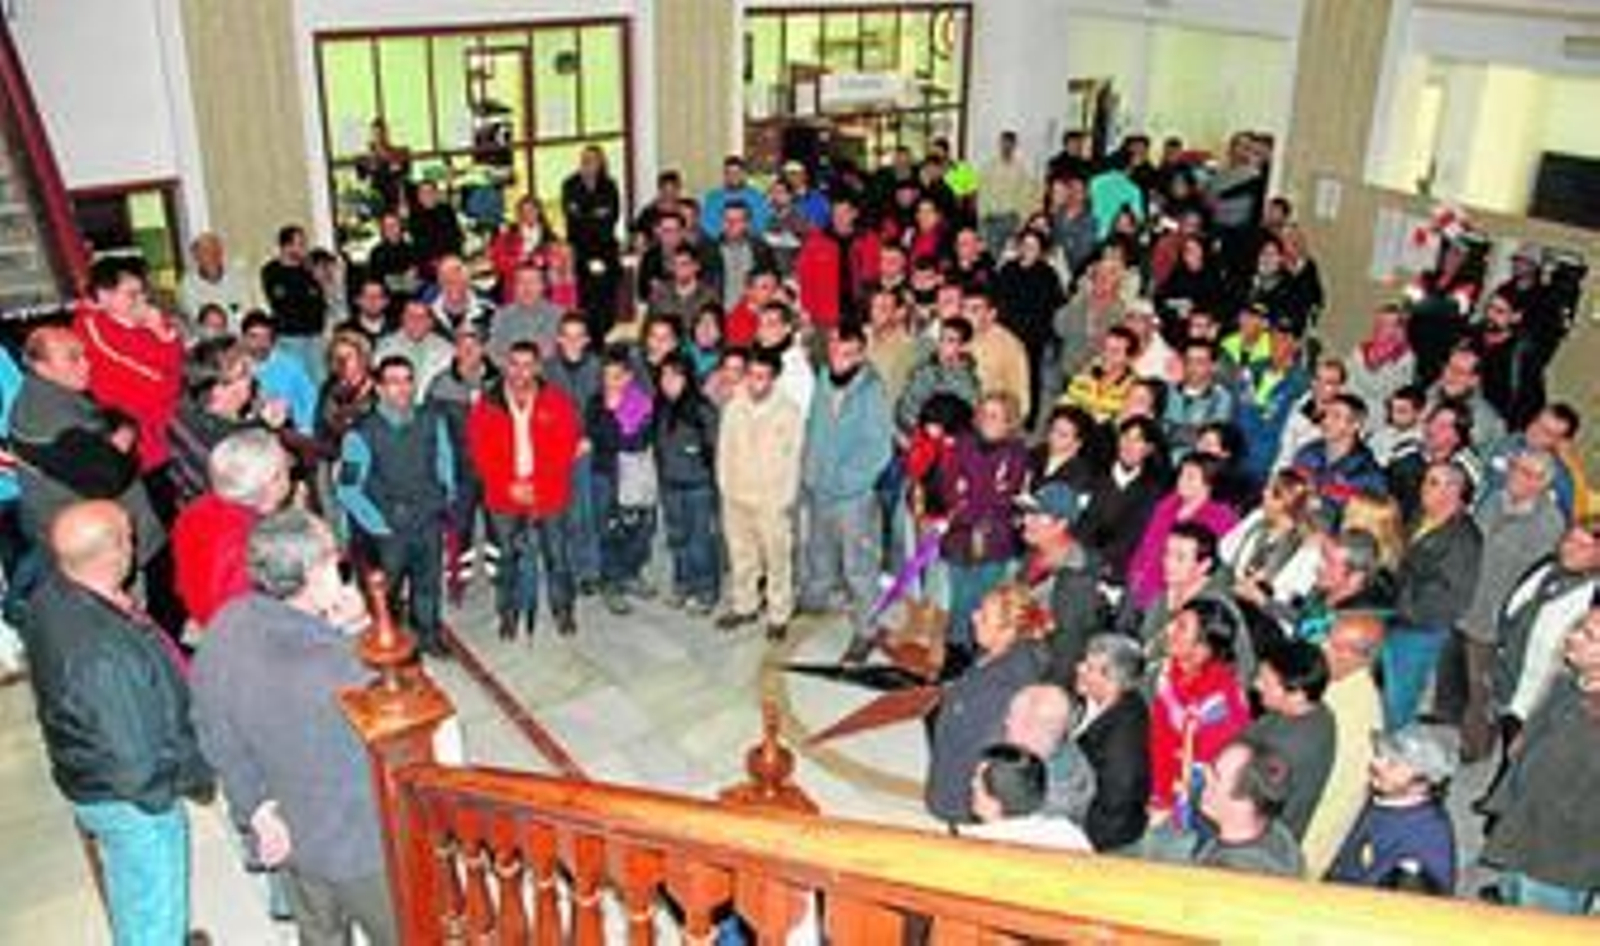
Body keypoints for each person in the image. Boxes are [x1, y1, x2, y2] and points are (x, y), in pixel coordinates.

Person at [192, 509, 398, 945]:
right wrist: (362, 626)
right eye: (333, 559)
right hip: (362, 849)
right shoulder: (341, 667)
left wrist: (257, 808)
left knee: (320, 934)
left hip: (290, 834)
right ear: (315, 574)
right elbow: (404, 717)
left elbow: (212, 731)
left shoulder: (226, 626)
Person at [20, 500, 211, 945]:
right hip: (132, 804)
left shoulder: (53, 595)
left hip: (89, 780)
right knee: (155, 901)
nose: (135, 541)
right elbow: (134, 765)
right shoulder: (102, 655)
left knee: (133, 886)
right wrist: (163, 798)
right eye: (127, 535)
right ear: (112, 554)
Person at [9, 327, 165, 582]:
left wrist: (120, 434)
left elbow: (107, 417)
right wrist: (121, 446)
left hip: (100, 535)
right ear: (41, 367)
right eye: (73, 358)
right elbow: (108, 479)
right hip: (96, 549)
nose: (86, 365)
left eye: (84, 355)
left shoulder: (52, 391)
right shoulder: (48, 418)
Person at [1445, 448, 1564, 759]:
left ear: (1542, 483)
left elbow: (1532, 587)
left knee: (1480, 692)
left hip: (1493, 623)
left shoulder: (1548, 525)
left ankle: (1475, 747)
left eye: (1526, 472)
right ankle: (1446, 732)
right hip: (1461, 605)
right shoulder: (1494, 499)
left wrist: (1508, 631)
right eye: (1515, 467)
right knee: (1452, 681)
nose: (1515, 475)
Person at [1482, 605, 1600, 915]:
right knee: (1514, 898)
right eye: (1578, 625)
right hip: (1524, 828)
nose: (1572, 636)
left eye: (1589, 635)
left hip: (1558, 858)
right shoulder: (1569, 682)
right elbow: (1527, 743)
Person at [335, 355, 455, 657]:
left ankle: (428, 633)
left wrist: (445, 496)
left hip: (427, 518)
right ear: (378, 387)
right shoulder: (360, 433)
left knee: (428, 583)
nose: (402, 389)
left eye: (407, 380)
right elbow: (348, 489)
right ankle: (395, 644)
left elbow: (445, 460)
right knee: (386, 594)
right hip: (389, 527)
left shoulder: (431, 420)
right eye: (393, 382)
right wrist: (378, 525)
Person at [1486, 520, 1600, 798]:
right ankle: (1499, 787)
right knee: (1510, 738)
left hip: (1548, 689)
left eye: (1584, 545)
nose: (1570, 548)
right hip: (1514, 675)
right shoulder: (1547, 567)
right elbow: (1514, 607)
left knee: (1530, 754)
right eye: (1569, 539)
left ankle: (1506, 808)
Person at [801, 325, 894, 661]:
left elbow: (878, 449)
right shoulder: (824, 378)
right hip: (819, 487)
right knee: (819, 551)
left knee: (860, 565)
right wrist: (809, 471)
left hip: (853, 496)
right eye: (836, 351)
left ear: (861, 353)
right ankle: (815, 601)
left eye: (849, 354)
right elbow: (814, 426)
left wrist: (845, 481)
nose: (841, 360)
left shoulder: (872, 391)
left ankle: (866, 629)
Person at [926, 583, 1048, 824]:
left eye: (983, 616)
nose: (973, 616)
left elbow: (981, 756)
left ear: (1007, 632)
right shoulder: (1001, 652)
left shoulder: (1002, 688)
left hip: (959, 797)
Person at [1384, 461, 1483, 729]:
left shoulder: (1464, 539)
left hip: (1419, 631)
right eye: (1427, 481)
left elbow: (1450, 601)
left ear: (1455, 491)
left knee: (1397, 702)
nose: (1424, 488)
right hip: (1398, 620)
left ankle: (1391, 757)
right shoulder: (1421, 516)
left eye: (1434, 483)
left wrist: (1396, 600)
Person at [74, 256, 186, 492]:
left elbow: (175, 363)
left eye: (143, 292)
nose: (142, 300)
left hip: (168, 436)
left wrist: (161, 333)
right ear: (104, 296)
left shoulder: (140, 320)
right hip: (140, 449)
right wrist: (169, 364)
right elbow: (163, 388)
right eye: (132, 294)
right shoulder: (93, 330)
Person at [716, 348, 803, 639]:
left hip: (771, 500)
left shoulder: (789, 412)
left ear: (774, 379)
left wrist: (784, 499)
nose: (756, 383)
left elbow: (795, 459)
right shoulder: (734, 407)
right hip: (737, 496)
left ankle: (779, 614)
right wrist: (726, 486)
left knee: (777, 560)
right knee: (741, 556)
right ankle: (745, 605)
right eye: (751, 376)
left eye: (763, 377)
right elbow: (724, 450)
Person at [171, 430, 292, 633]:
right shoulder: (257, 543)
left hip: (203, 622)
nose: (291, 465)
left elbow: (181, 584)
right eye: (286, 466)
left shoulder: (195, 510)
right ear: (271, 482)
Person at [940, 391, 1030, 660]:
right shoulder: (963, 444)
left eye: (996, 416)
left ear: (1009, 422)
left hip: (995, 539)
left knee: (982, 598)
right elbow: (950, 487)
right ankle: (955, 649)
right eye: (984, 414)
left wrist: (972, 501)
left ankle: (976, 651)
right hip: (959, 535)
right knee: (959, 596)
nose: (988, 421)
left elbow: (1004, 498)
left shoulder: (1016, 453)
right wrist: (967, 502)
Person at [1147, 598, 1252, 827]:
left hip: (1183, 814)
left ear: (1204, 647)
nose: (1168, 629)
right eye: (1174, 621)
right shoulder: (1168, 672)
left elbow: (1199, 782)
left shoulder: (1221, 710)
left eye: (1181, 626)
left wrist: (1163, 805)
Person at [1302, 599, 1388, 876]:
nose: (1323, 647)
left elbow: (1334, 797)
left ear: (1362, 658)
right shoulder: (1337, 682)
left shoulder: (1357, 717)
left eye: (1336, 646)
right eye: (1328, 638)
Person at [1328, 724, 1458, 894]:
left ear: (1421, 785)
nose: (1376, 763)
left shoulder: (1421, 852)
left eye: (1393, 764)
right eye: (1381, 754)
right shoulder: (1388, 795)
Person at [427, 323, 500, 602]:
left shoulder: (501, 382)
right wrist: (438, 471)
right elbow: (432, 432)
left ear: (484, 347)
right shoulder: (440, 385)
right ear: (455, 348)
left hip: (495, 469)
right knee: (459, 527)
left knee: (499, 525)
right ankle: (458, 578)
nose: (468, 352)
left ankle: (500, 575)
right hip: (459, 470)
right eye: (462, 345)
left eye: (474, 345)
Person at [587, 345, 657, 615]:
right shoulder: (596, 402)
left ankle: (631, 573)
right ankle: (611, 582)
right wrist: (612, 415)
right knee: (609, 529)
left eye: (617, 376)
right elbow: (600, 438)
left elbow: (638, 441)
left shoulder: (640, 401)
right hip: (605, 474)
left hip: (635, 475)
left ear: (629, 377)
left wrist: (616, 417)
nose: (611, 382)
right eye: (607, 376)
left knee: (639, 527)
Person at [1246, 640, 1336, 839]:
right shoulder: (1318, 711)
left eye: (1265, 681)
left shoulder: (1283, 749)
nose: (1255, 685)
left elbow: (1243, 808)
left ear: (1297, 695)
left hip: (1258, 845)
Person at [1125, 454, 1239, 611]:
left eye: (1190, 477)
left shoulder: (1221, 520)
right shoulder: (1167, 504)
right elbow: (1144, 546)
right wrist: (1134, 576)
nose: (1181, 480)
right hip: (1139, 587)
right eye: (1181, 474)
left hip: (1175, 598)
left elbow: (1207, 571)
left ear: (1208, 484)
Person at [653, 353, 720, 614]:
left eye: (676, 375)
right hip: (669, 485)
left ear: (688, 378)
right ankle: (683, 585)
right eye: (664, 375)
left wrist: (695, 455)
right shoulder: (659, 405)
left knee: (699, 542)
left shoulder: (702, 408)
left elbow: (715, 447)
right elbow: (629, 425)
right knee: (677, 539)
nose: (669, 381)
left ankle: (705, 591)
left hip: (698, 487)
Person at [1072, 635, 1152, 852]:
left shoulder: (1124, 732)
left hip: (1105, 840)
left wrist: (1076, 836)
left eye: (1089, 667)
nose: (1078, 668)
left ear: (1112, 682)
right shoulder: (1093, 703)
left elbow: (1117, 798)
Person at [1190, 736, 1306, 878]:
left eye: (1216, 776)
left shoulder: (1226, 876)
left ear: (1243, 804)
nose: (1206, 774)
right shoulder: (1279, 834)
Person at [961, 744, 1092, 852]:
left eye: (978, 779)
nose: (972, 783)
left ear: (995, 803)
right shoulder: (1069, 836)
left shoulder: (970, 845)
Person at [1289, 393, 1385, 519]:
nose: (1326, 421)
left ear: (1355, 425)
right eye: (1326, 415)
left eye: (1336, 416)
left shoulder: (1368, 474)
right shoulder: (1307, 453)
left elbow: (1368, 521)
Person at [562, 145, 624, 339]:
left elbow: (610, 219)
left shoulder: (610, 185)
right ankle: (586, 336)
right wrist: (595, 215)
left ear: (601, 163)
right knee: (585, 299)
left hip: (605, 249)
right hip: (579, 251)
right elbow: (572, 219)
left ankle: (605, 333)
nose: (588, 164)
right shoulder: (570, 185)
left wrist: (585, 213)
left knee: (606, 297)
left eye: (593, 160)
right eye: (585, 159)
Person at [259, 224, 328, 386]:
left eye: (304, 243)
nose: (305, 248)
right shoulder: (272, 271)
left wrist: (320, 280)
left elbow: (320, 301)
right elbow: (283, 303)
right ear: (286, 246)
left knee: (321, 381)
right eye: (300, 243)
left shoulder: (309, 270)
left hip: (316, 336)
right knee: (297, 381)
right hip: (290, 338)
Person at [962, 287, 1031, 424]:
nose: (966, 315)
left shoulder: (1009, 345)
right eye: (963, 308)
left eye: (974, 310)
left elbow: (1021, 398)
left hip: (992, 420)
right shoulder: (955, 336)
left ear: (991, 314)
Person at [177, 231, 257, 330]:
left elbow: (247, 311)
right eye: (205, 251)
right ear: (196, 256)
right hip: (209, 341)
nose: (212, 256)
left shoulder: (238, 278)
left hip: (239, 338)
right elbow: (195, 321)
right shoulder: (188, 285)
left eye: (216, 250)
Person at [374, 298, 453, 398]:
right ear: (402, 319)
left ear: (431, 322)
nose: (416, 321)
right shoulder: (384, 347)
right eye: (410, 316)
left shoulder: (447, 350)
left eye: (421, 317)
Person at [703, 155, 771, 239]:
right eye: (729, 173)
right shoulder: (713, 197)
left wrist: (746, 232)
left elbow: (762, 223)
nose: (733, 177)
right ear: (724, 175)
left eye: (736, 173)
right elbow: (708, 225)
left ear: (743, 174)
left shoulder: (756, 197)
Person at [407, 180, 464, 272]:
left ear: (436, 194)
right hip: (429, 263)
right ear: (418, 196)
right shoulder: (414, 217)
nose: (427, 195)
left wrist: (451, 258)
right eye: (423, 193)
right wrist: (434, 261)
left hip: (450, 259)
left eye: (430, 192)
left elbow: (456, 235)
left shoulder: (446, 210)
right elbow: (418, 245)